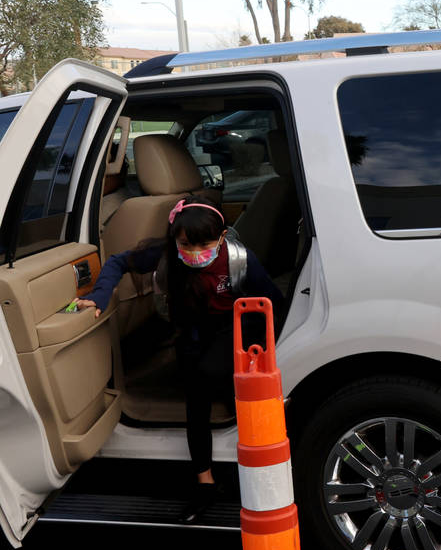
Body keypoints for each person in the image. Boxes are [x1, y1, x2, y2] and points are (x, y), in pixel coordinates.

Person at [74, 195, 284, 522]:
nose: (197, 253)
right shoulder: (167, 256)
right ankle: (205, 483)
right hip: (190, 330)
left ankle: (256, 466)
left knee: (211, 372)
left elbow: (272, 302)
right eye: (187, 244)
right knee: (194, 397)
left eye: (206, 244)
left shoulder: (239, 260)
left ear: (224, 235)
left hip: (231, 326)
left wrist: (260, 350)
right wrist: (99, 296)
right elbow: (117, 262)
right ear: (175, 239)